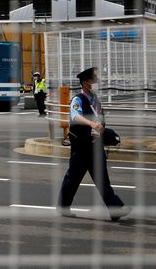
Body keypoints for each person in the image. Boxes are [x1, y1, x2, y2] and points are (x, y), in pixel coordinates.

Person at [57, 67, 131, 220]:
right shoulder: (78, 99)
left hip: (96, 146)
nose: (96, 83)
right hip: (81, 147)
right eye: (93, 80)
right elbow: (75, 116)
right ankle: (63, 207)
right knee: (73, 178)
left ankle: (115, 210)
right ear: (85, 83)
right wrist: (91, 124)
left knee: (103, 180)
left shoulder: (95, 100)